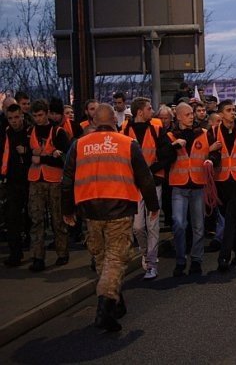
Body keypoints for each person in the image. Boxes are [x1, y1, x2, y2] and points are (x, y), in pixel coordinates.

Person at [62, 103, 159, 332]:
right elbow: (145, 178)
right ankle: (105, 306)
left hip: (90, 211)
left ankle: (115, 302)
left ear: (94, 122)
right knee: (116, 259)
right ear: (115, 122)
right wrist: (153, 206)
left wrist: (67, 210)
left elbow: (66, 181)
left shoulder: (79, 145)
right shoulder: (127, 144)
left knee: (102, 258)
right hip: (119, 209)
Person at [121, 97, 172, 280]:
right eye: (149, 108)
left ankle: (151, 263)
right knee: (137, 227)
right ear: (140, 112)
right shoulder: (125, 130)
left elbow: (167, 154)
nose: (153, 111)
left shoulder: (157, 128)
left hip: (153, 183)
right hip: (134, 185)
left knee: (152, 225)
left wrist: (152, 170)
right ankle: (145, 253)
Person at [166, 102, 217, 276]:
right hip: (179, 185)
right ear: (179, 116)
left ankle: (196, 260)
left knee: (198, 226)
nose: (191, 116)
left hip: (198, 185)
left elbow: (215, 152)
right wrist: (174, 146)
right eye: (187, 114)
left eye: (191, 114)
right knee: (179, 224)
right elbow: (163, 156)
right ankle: (180, 259)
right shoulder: (171, 136)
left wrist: (212, 158)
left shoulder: (203, 133)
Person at [27, 99, 70, 271]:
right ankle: (38, 257)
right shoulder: (30, 132)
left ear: (46, 113)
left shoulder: (58, 132)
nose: (38, 118)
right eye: (35, 116)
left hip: (54, 181)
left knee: (57, 219)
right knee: (36, 219)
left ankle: (62, 252)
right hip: (36, 180)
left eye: (40, 115)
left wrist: (43, 158)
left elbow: (65, 159)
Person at [213, 99, 236, 272]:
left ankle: (224, 256)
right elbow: (203, 156)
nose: (232, 112)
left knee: (230, 217)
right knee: (230, 218)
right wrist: (210, 149)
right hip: (221, 181)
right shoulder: (212, 132)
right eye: (228, 110)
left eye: (233, 109)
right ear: (220, 115)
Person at [1, 103, 31, 266]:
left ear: (22, 116)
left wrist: (26, 152)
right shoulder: (6, 133)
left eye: (16, 117)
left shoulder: (30, 131)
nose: (14, 121)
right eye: (10, 118)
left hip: (30, 178)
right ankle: (16, 253)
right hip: (12, 180)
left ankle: (31, 247)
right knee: (12, 216)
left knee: (31, 216)